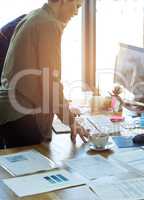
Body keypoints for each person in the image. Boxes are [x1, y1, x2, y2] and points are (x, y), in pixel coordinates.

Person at [0, 0, 87, 149]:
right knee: (38, 168)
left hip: (10, 110)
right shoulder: (49, 24)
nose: (76, 12)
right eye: (77, 6)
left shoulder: (34, 16)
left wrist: (64, 109)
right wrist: (71, 121)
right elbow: (51, 83)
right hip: (21, 114)